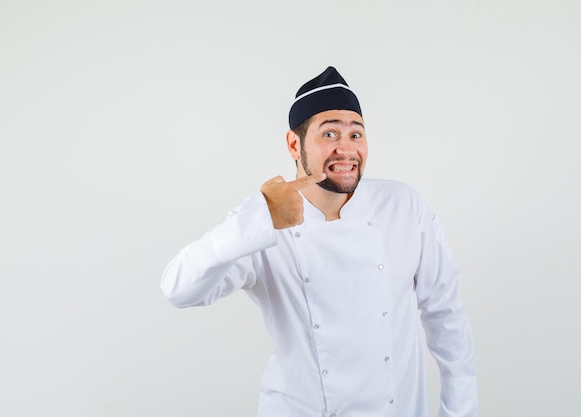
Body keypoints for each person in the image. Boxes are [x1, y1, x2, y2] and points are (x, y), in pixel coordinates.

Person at [161, 66, 478, 417]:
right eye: (329, 134)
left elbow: (447, 318)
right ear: (294, 144)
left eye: (356, 135)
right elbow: (178, 290)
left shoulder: (404, 206)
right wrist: (259, 216)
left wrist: (460, 411)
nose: (346, 148)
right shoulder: (259, 223)